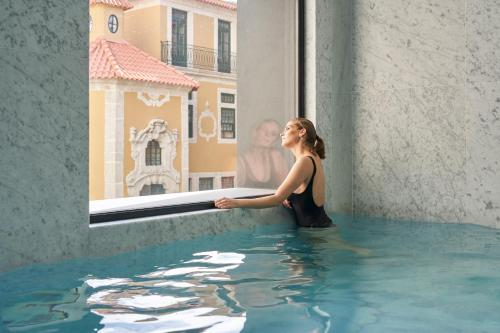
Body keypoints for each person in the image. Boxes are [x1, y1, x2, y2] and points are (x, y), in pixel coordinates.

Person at [215, 117, 332, 228]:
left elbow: (277, 199)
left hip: (316, 235)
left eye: (287, 128)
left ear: (302, 132)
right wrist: (290, 196)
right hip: (321, 227)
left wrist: (236, 203)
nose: (282, 134)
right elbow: (306, 192)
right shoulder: (313, 156)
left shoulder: (304, 161)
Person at [237, 119, 288, 188]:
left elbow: (286, 188)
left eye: (273, 134)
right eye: (264, 130)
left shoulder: (276, 157)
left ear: (275, 140)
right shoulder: (240, 160)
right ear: (255, 131)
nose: (268, 135)